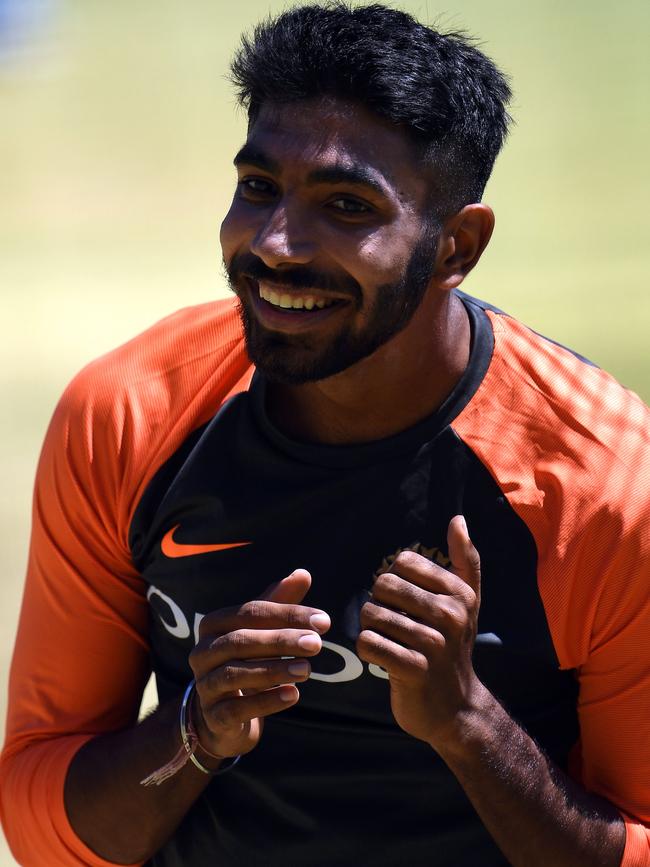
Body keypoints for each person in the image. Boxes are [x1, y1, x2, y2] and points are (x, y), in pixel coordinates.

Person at [1, 4, 649, 866]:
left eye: (347, 206)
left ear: (457, 245)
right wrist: (195, 729)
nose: (275, 245)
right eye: (259, 188)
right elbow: (38, 818)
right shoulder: (128, 413)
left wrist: (470, 726)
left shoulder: (606, 486)